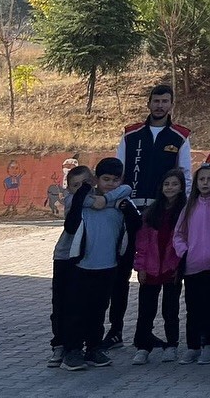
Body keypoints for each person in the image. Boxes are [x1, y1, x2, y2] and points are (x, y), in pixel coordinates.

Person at [111, 85, 192, 348]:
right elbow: (119, 171)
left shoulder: (180, 136)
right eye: (156, 100)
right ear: (148, 103)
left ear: (171, 105)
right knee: (122, 272)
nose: (160, 105)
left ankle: (158, 335)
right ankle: (115, 331)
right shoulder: (130, 134)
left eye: (165, 101)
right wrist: (119, 203)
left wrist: (183, 210)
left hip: (164, 213)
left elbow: (186, 175)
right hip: (131, 211)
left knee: (164, 273)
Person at [62, 157, 136, 371]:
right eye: (106, 179)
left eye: (115, 180)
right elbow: (71, 224)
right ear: (96, 179)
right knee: (77, 311)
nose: (110, 184)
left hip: (108, 267)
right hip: (82, 266)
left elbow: (136, 220)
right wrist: (88, 192)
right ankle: (72, 351)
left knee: (98, 311)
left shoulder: (122, 203)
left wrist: (112, 200)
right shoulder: (82, 200)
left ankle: (93, 348)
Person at [131, 168, 186, 364]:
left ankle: (171, 345)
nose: (170, 188)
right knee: (146, 310)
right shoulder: (150, 213)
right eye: (166, 184)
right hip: (151, 268)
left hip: (171, 268)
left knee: (170, 310)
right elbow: (142, 242)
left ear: (181, 187)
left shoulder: (184, 213)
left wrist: (179, 266)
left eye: (174, 184)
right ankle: (143, 347)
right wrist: (140, 267)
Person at [174, 162, 210, 365]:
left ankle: (209, 344)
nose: (205, 183)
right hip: (192, 265)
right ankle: (193, 346)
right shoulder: (189, 206)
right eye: (201, 179)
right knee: (192, 307)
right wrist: (184, 252)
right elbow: (178, 234)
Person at [48, 164, 93, 367]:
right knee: (61, 303)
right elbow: (82, 205)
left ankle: (78, 345)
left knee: (81, 304)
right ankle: (59, 344)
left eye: (86, 183)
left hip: (87, 259)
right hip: (65, 257)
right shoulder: (71, 200)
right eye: (76, 185)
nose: (82, 189)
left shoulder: (99, 199)